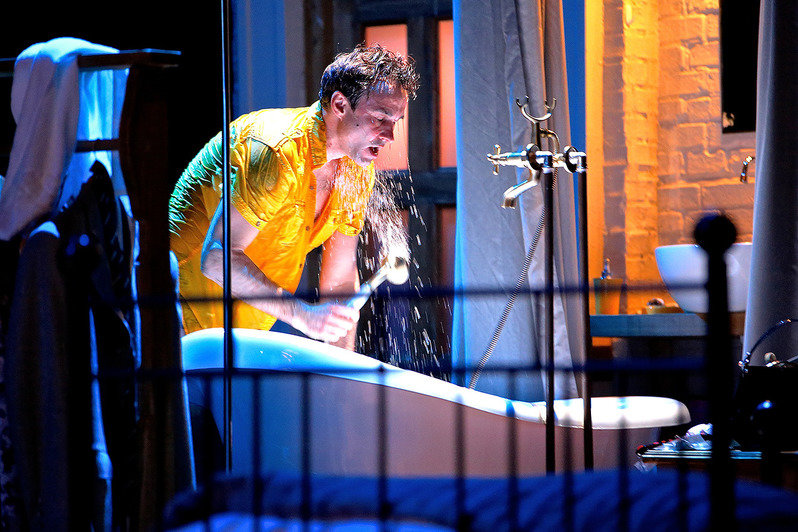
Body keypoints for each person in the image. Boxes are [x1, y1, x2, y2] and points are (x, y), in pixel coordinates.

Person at [168, 44, 419, 350]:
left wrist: (340, 373)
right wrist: (302, 315)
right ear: (340, 105)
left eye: (395, 122)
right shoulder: (276, 152)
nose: (390, 136)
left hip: (239, 332)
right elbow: (216, 259)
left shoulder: (356, 170)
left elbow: (339, 284)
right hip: (171, 313)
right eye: (380, 118)